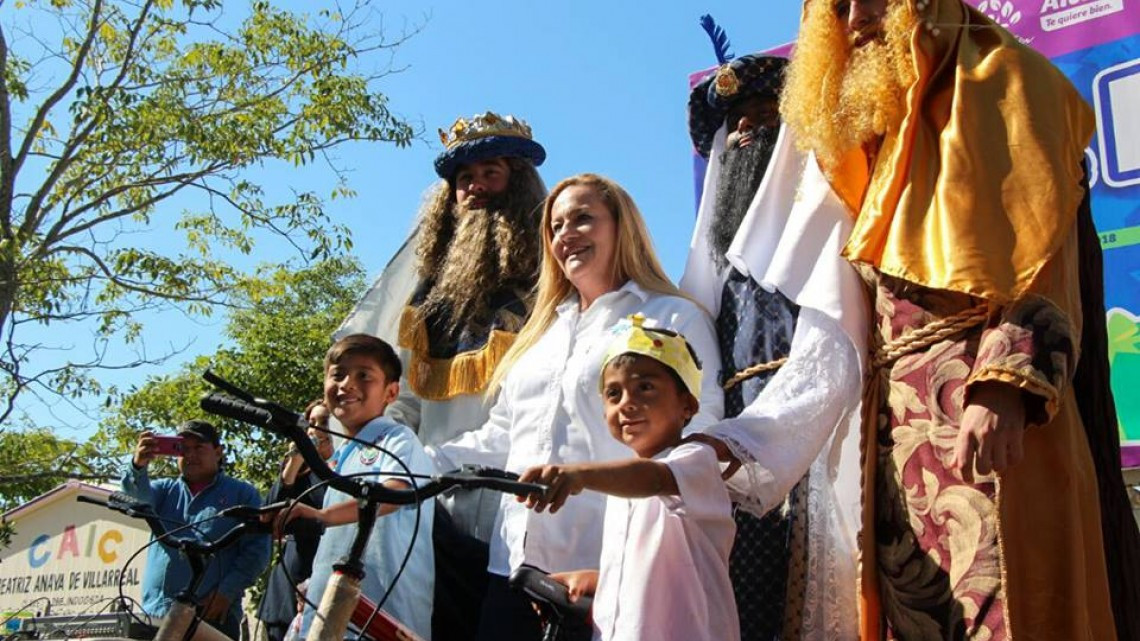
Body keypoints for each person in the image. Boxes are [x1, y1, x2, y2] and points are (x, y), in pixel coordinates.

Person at [780, 0, 1138, 638]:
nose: (857, 18)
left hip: (994, 421)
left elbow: (1047, 260)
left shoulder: (1012, 81)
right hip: (896, 445)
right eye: (837, 7)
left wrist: (1006, 381)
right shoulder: (869, 141)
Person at [430, 173, 724, 641]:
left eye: (583, 219)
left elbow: (699, 441)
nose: (566, 234)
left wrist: (623, 567)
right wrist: (410, 461)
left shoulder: (673, 316)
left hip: (607, 575)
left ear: (621, 227)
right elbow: (501, 437)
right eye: (556, 226)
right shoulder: (539, 335)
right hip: (512, 569)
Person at [336, 111, 547, 640]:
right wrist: (386, 455)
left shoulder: (551, 280)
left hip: (515, 503)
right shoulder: (427, 296)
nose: (475, 187)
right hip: (428, 499)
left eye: (490, 173)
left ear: (518, 183)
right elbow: (405, 399)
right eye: (464, 178)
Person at [519, 315, 737, 641]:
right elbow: (650, 575)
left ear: (688, 405)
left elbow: (654, 480)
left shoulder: (695, 460)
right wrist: (595, 581)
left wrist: (577, 474)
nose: (627, 404)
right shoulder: (623, 489)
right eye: (613, 394)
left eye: (645, 388)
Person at [283, 334, 435, 641]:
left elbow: (394, 494)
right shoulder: (342, 456)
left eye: (364, 376)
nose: (347, 385)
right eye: (338, 375)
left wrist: (321, 516)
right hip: (330, 607)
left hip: (382, 613)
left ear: (391, 392)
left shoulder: (397, 439)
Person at [121, 420, 271, 640]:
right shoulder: (164, 490)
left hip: (211, 614)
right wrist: (138, 466)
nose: (190, 455)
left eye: (199, 447)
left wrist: (225, 593)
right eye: (183, 449)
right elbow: (135, 500)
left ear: (218, 452)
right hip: (156, 613)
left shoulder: (243, 494)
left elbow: (256, 552)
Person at [257, 401, 335, 641]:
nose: (317, 429)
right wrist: (293, 464)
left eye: (325, 421)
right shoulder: (300, 472)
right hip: (289, 587)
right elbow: (266, 517)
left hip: (329, 587)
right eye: (311, 423)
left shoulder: (350, 469)